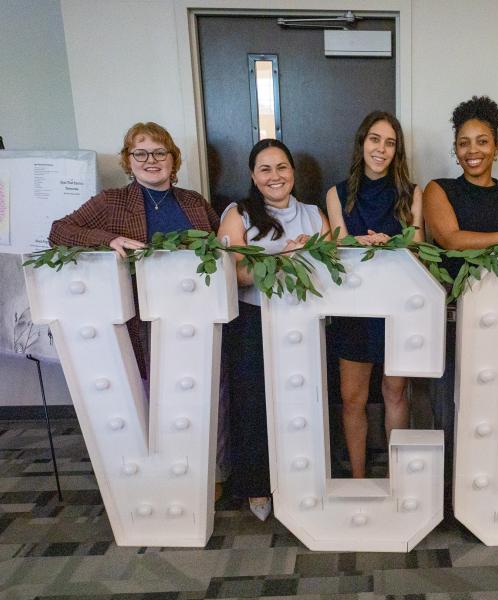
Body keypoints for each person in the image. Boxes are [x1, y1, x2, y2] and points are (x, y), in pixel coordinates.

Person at [423, 95, 498, 479]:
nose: (472, 150)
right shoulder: (438, 189)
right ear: (455, 149)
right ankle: (447, 487)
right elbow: (451, 240)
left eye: (481, 141)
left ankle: (486, 480)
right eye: (463, 143)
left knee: (492, 403)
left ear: (496, 146)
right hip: (451, 315)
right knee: (449, 404)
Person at [49, 121, 220, 376]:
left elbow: (221, 243)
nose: (151, 160)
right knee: (153, 383)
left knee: (203, 379)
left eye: (160, 152)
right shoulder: (111, 201)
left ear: (172, 159)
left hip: (197, 310)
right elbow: (58, 232)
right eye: (140, 153)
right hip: (143, 318)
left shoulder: (193, 201)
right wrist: (108, 239)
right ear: (129, 161)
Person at [218, 138, 329, 520]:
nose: (274, 176)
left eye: (281, 167)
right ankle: (257, 487)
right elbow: (233, 274)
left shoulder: (313, 215)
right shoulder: (238, 214)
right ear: (253, 176)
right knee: (254, 405)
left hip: (305, 321)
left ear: (293, 172)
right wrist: (283, 256)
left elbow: (335, 266)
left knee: (305, 402)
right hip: (254, 323)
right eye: (264, 169)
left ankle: (305, 481)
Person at [326, 112, 424, 479]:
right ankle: (358, 479)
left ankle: (398, 480)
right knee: (353, 399)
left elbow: (418, 246)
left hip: (399, 306)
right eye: (374, 139)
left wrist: (394, 244)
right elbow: (337, 245)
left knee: (395, 392)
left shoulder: (412, 192)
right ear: (362, 143)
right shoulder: (336, 193)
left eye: (390, 143)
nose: (381, 149)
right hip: (354, 307)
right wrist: (360, 242)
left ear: (397, 151)